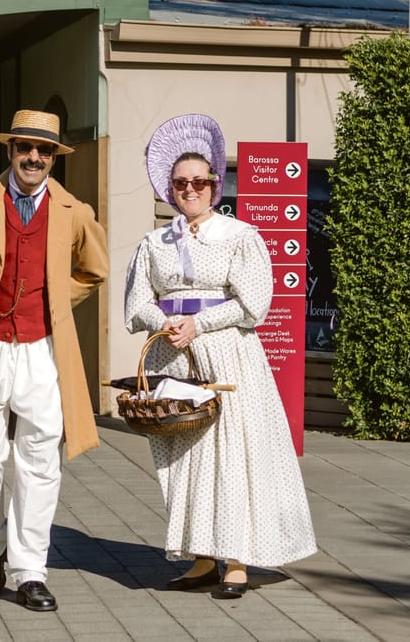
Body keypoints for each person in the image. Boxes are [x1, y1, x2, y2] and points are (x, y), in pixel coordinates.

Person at [123, 114, 316, 599]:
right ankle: (203, 556)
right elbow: (137, 302)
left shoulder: (239, 235)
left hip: (227, 354)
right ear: (169, 188)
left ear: (213, 185)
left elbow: (254, 303)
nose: (189, 189)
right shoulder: (154, 243)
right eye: (180, 183)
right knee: (184, 458)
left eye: (198, 182)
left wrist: (199, 323)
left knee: (231, 454)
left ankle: (237, 560)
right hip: (172, 357)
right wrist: (164, 321)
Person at [0, 110, 108, 612]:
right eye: (25, 148)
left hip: (43, 348)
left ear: (54, 157)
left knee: (39, 461)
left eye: (44, 150)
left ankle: (29, 571)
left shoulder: (74, 211)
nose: (34, 157)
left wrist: (56, 302)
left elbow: (94, 270)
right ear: (9, 151)